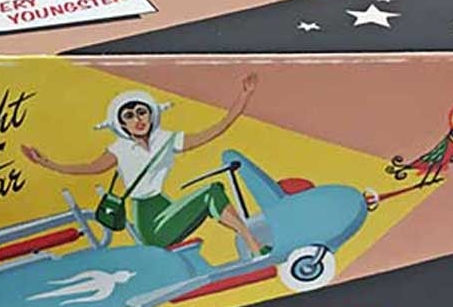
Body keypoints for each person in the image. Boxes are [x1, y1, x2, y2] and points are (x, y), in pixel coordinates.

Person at [21, 73, 269, 255]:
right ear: (122, 124)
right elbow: (89, 167)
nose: (138, 119)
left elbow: (216, 129)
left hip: (166, 208)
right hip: (149, 222)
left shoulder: (167, 139)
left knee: (214, 191)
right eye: (129, 116)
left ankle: (252, 244)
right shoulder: (120, 149)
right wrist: (48, 164)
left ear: (151, 114)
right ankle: (254, 245)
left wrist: (244, 96)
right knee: (211, 192)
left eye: (142, 112)